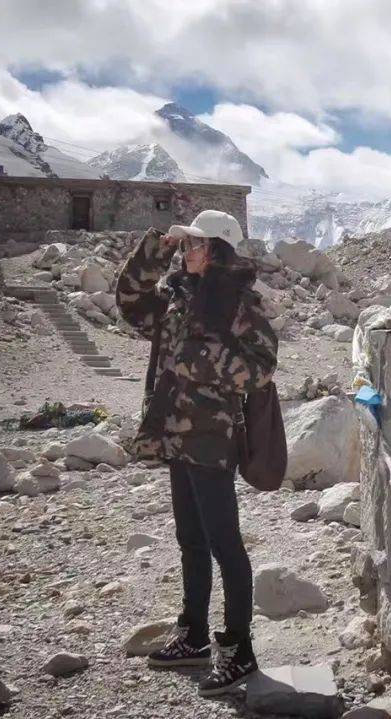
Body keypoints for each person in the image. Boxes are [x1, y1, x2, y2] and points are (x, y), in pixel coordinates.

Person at [114, 210, 278, 697]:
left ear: (220, 252)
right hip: (175, 436)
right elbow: (129, 303)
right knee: (190, 538)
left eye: (195, 246)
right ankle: (193, 634)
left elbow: (261, 369)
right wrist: (156, 251)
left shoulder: (240, 307)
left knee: (225, 543)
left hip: (211, 438)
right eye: (185, 247)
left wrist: (201, 360)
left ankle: (239, 649)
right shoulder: (178, 300)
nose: (187, 254)